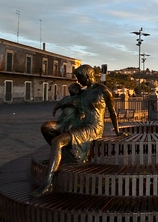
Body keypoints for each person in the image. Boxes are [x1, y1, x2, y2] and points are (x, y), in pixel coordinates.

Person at [32, 64, 120, 197]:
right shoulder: (82, 92)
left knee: (57, 141)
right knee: (46, 127)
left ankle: (48, 183)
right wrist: (66, 104)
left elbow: (113, 112)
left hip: (93, 127)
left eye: (80, 78)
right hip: (79, 123)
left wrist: (117, 131)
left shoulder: (103, 91)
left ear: (87, 76)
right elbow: (69, 101)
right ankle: (59, 155)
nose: (78, 81)